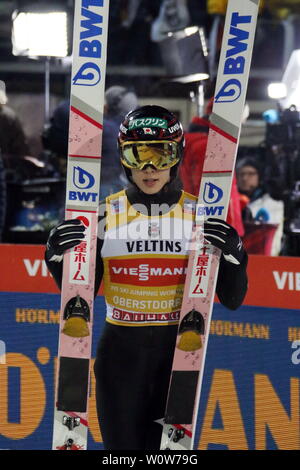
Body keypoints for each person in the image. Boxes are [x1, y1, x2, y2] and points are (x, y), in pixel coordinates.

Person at [45, 105, 248, 450]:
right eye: (137, 154)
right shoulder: (103, 215)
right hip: (121, 357)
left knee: (168, 456)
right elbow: (84, 292)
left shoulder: (198, 216)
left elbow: (232, 298)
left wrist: (236, 255)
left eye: (161, 153)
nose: (149, 168)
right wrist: (54, 257)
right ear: (124, 158)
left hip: (178, 357)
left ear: (177, 156)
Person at [42, 85, 138, 199]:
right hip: (115, 190)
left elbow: (63, 110)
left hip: (94, 190)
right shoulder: (130, 130)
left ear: (107, 107)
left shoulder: (106, 129)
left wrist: (88, 99)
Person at [236, 157, 284, 255]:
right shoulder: (232, 204)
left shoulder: (274, 204)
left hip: (264, 259)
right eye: (241, 174)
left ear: (260, 176)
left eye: (250, 174)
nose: (245, 178)